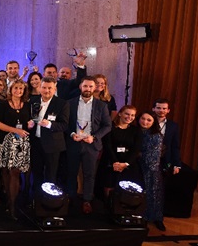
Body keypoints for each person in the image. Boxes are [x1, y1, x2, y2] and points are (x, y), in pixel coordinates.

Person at [65, 77, 112, 214]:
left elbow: (107, 126)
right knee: (71, 173)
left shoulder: (101, 106)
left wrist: (94, 137)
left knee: (89, 174)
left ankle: (87, 200)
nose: (88, 89)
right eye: (85, 86)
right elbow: (64, 123)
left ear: (94, 88)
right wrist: (72, 134)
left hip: (91, 145)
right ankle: (70, 198)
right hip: (74, 142)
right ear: (80, 86)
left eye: (91, 86)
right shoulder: (70, 103)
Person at [0, 80, 34, 219]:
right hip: (4, 142)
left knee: (15, 172)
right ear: (10, 89)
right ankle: (9, 201)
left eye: (21, 88)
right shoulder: (2, 104)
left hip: (20, 144)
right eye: (16, 88)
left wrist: (30, 124)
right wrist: (15, 130)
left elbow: (29, 122)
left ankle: (13, 206)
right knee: (5, 172)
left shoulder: (27, 105)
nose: (18, 91)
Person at [29, 77, 69, 189]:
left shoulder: (62, 103)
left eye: (50, 88)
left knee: (51, 175)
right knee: (36, 173)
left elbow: (64, 125)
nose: (47, 91)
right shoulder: (33, 101)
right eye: (44, 87)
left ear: (55, 89)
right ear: (40, 88)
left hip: (52, 145)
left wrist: (49, 124)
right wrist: (29, 123)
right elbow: (29, 117)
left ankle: (49, 197)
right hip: (35, 143)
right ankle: (36, 196)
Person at [103, 105, 142, 194]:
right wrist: (115, 163)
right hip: (111, 162)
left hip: (128, 164)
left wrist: (125, 164)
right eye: (127, 114)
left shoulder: (136, 130)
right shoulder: (110, 127)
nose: (129, 117)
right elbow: (107, 146)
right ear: (120, 113)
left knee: (125, 192)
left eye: (132, 115)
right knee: (109, 187)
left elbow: (136, 149)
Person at [137, 111, 166, 231]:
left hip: (150, 170)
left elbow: (152, 156)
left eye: (149, 120)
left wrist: (136, 154)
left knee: (153, 195)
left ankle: (156, 218)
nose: (145, 122)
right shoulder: (135, 131)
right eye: (143, 118)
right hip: (135, 167)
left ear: (154, 122)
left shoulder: (156, 135)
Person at [152, 98, 182, 175]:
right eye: (158, 108)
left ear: (168, 110)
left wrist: (177, 164)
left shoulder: (173, 126)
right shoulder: (147, 122)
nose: (161, 110)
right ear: (153, 109)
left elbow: (175, 146)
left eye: (164, 108)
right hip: (147, 159)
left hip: (164, 160)